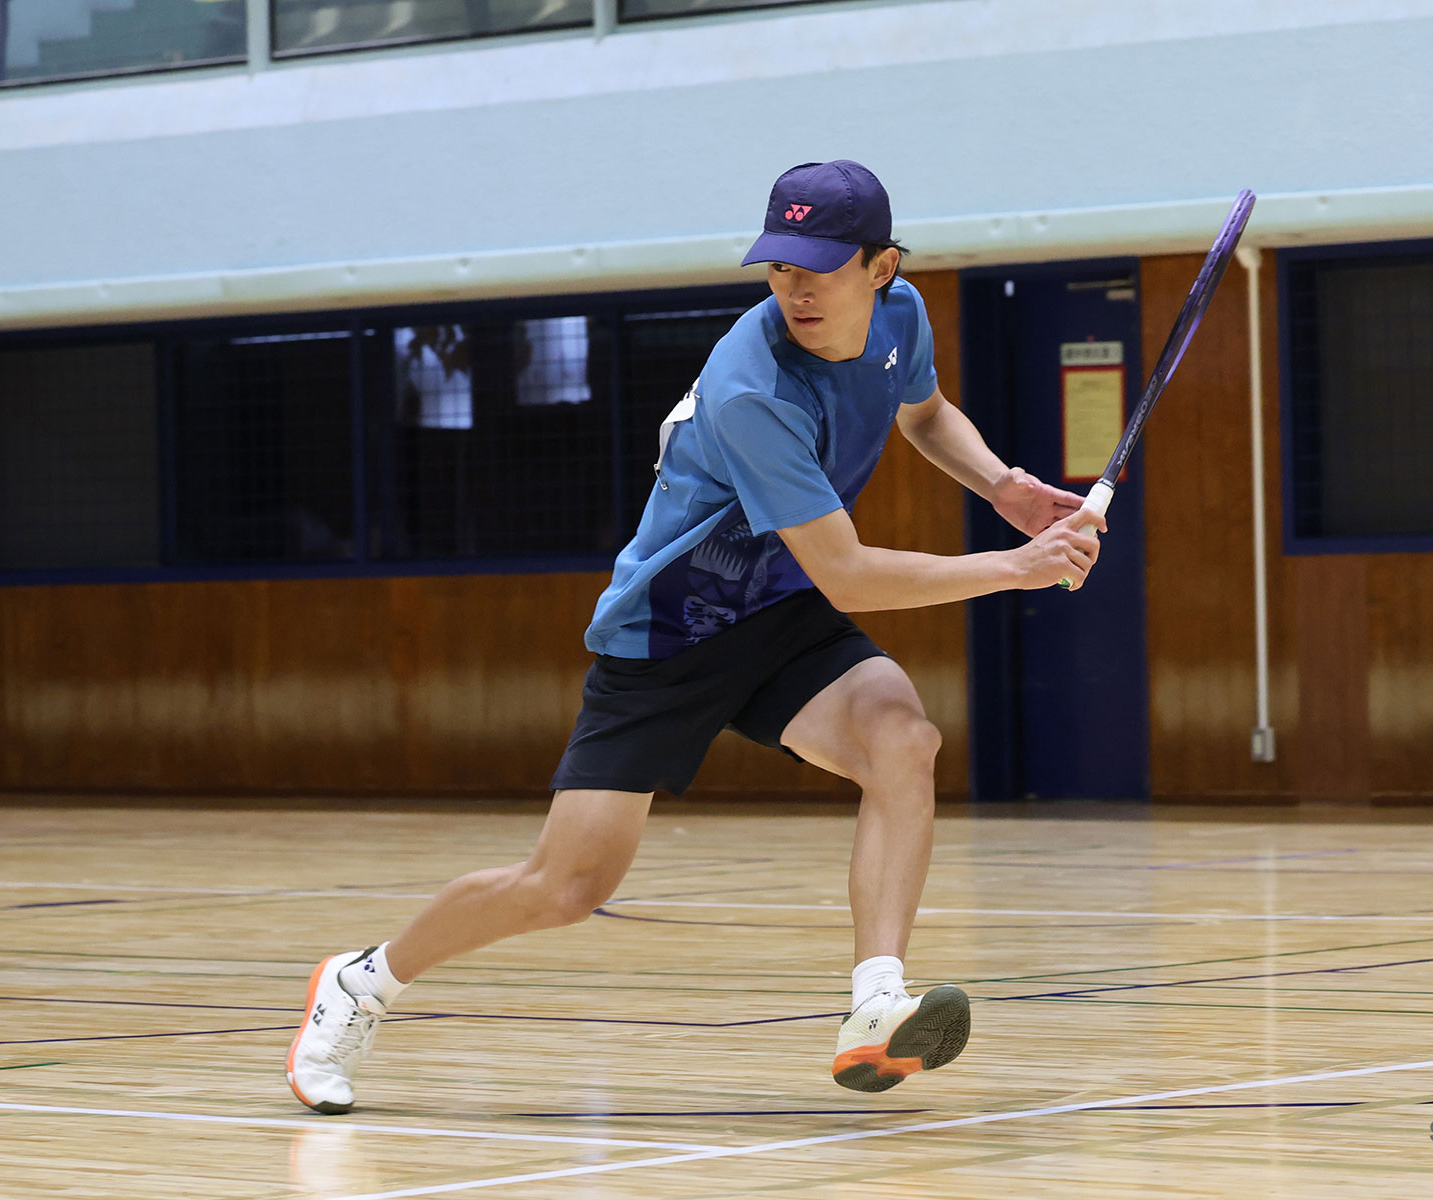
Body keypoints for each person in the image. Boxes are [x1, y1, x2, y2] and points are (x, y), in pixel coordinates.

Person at [286, 160, 1105, 1114]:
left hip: (779, 609)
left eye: (818, 268)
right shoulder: (754, 384)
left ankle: (876, 1002)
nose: (795, 289)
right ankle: (361, 982)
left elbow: (922, 412)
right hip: (670, 632)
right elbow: (847, 572)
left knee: (902, 737)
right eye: (779, 267)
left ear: (881, 268)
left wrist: (1002, 486)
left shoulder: (902, 317)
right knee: (565, 886)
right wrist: (1013, 567)